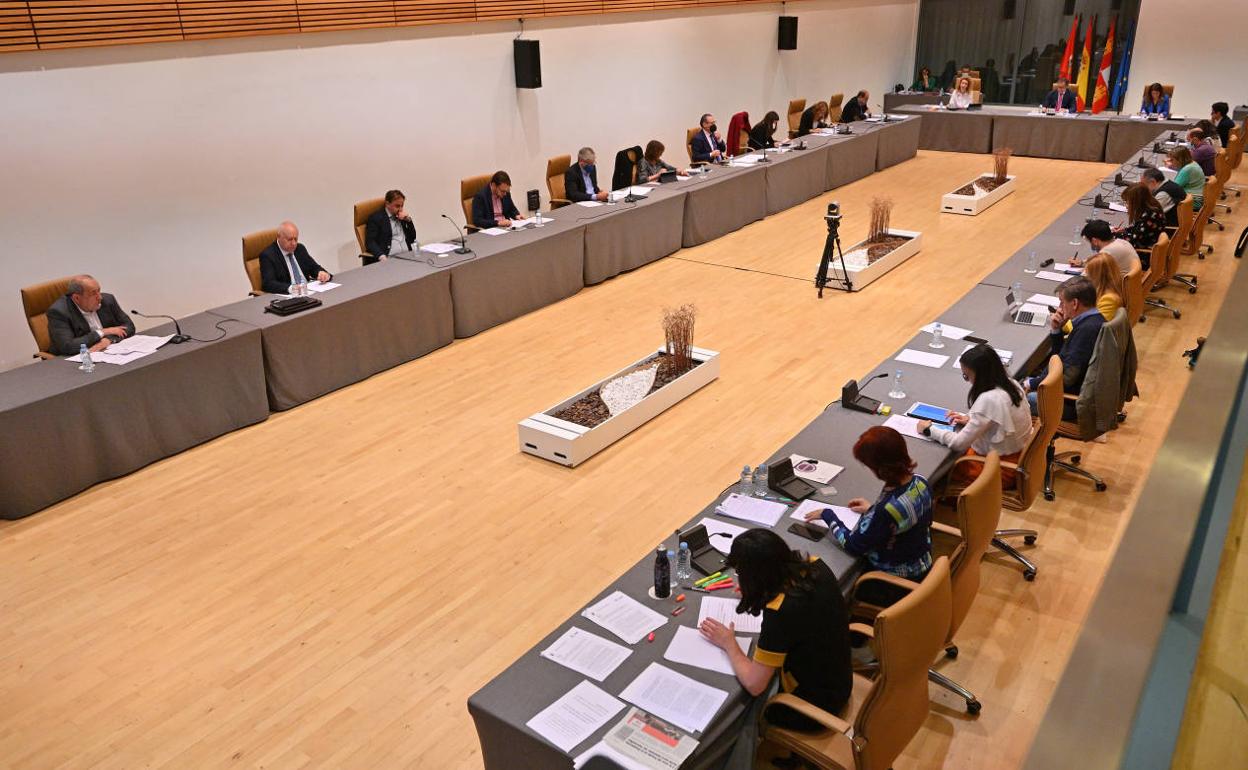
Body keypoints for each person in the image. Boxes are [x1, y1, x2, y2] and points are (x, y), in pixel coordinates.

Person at [698, 528, 852, 761]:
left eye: (741, 573)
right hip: (838, 679)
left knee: (745, 706)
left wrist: (729, 643)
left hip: (812, 707)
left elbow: (755, 684)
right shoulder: (816, 566)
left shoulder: (781, 613)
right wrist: (757, 591)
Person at [804, 426, 932, 606]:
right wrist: (872, 510)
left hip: (893, 584)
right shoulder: (921, 482)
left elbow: (854, 545)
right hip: (922, 564)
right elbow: (909, 518)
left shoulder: (886, 511)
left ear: (880, 467)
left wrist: (828, 515)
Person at [915, 344, 1032, 487]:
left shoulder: (989, 400)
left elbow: (958, 444)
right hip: (1018, 456)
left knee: (939, 472)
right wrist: (971, 419)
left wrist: (929, 430)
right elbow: (996, 419)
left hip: (998, 469)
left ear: (980, 375)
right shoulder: (1012, 384)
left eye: (966, 376)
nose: (968, 381)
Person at [1022, 277, 1105, 419]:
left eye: (1062, 302)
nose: (1059, 308)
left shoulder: (1087, 330)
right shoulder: (1094, 319)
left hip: (1072, 402)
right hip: (1074, 389)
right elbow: (1059, 359)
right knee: (1016, 385)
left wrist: (1031, 384)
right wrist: (1056, 330)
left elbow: (1067, 378)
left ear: (1075, 303)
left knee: (1015, 400)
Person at [46, 274, 135, 355]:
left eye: (99, 291)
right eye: (93, 293)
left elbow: (129, 326)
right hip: (76, 359)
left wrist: (108, 339)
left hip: (108, 352)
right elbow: (68, 346)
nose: (99, 297)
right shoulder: (59, 312)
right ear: (77, 298)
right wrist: (102, 332)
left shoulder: (108, 300)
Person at [259, 221, 331, 294]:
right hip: (289, 296)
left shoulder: (300, 249)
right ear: (279, 237)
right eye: (289, 239)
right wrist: (291, 288)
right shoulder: (268, 255)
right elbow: (268, 284)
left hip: (308, 291)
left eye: (295, 239)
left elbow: (314, 267)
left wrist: (322, 273)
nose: (293, 243)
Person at [1114, 182, 1167, 263]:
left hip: (1144, 256)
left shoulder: (1148, 216)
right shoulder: (1152, 208)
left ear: (1136, 202)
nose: (1126, 205)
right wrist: (1125, 230)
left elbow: (1131, 241)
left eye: (1127, 202)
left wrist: (1113, 236)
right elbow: (1139, 229)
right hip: (1148, 246)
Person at [364, 189, 417, 263]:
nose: (400, 209)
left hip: (408, 256)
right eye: (397, 206)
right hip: (390, 259)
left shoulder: (401, 217)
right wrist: (381, 256)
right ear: (387, 204)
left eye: (402, 206)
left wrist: (408, 221)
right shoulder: (376, 218)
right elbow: (370, 242)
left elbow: (413, 238)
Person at [1072, 219, 1140, 276]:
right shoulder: (1121, 242)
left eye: (1089, 241)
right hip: (1131, 283)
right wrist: (1082, 262)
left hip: (1118, 286)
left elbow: (1084, 277)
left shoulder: (1106, 253)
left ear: (1095, 241)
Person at [1081, 253, 1125, 321]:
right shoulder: (1103, 291)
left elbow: (1092, 324)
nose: (1085, 276)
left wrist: (1067, 321)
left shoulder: (1109, 300)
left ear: (1097, 276)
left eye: (1088, 273)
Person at [1167, 146, 1206, 211]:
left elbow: (1173, 189)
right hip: (1198, 198)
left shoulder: (1186, 170)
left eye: (1172, 160)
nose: (1171, 162)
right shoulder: (1193, 163)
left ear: (1180, 160)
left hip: (1193, 201)